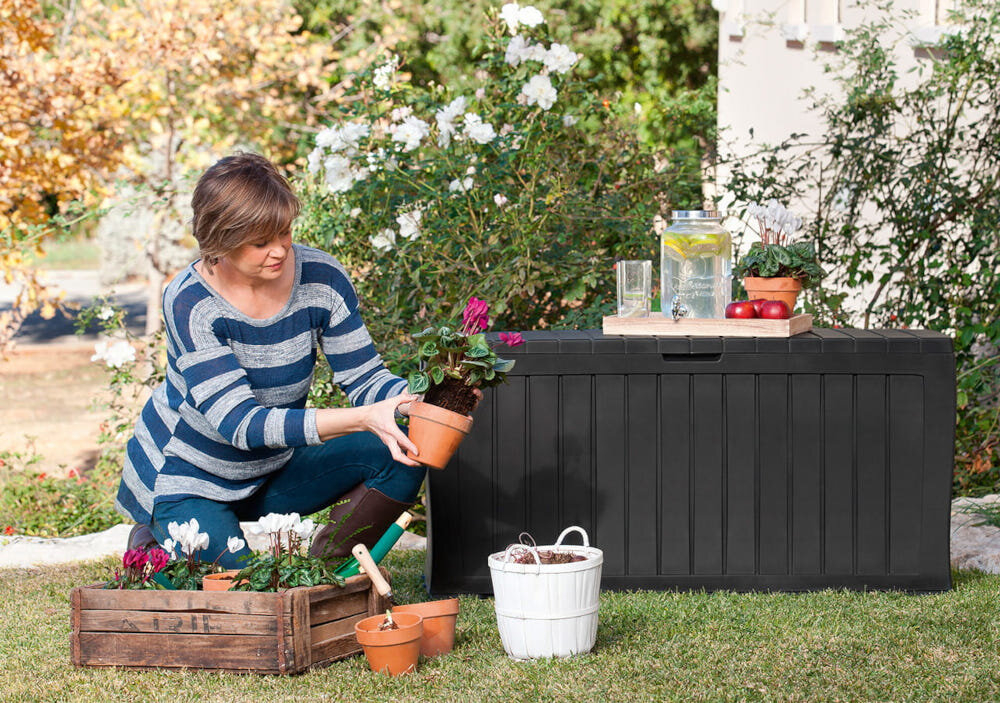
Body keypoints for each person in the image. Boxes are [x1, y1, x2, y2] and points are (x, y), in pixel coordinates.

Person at [117, 152, 426, 568]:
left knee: (404, 449)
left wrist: (418, 403)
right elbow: (242, 424)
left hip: (274, 464)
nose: (280, 250)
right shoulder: (190, 301)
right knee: (245, 588)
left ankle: (323, 573)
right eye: (261, 242)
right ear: (220, 241)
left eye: (284, 232)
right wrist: (362, 417)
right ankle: (156, 529)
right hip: (189, 475)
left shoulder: (322, 277)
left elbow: (366, 378)